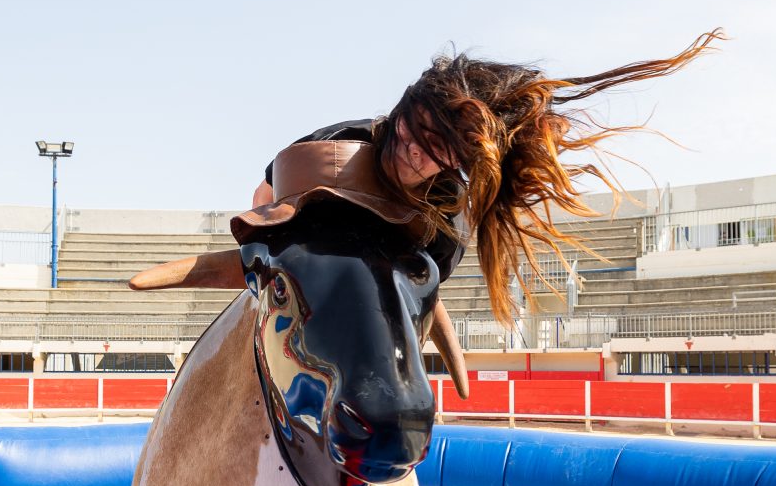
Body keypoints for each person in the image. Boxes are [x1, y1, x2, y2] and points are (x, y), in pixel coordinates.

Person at [250, 30, 722, 321]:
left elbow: (412, 298)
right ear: (399, 116)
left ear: (453, 161)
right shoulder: (341, 141)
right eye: (414, 133)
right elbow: (266, 191)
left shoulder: (447, 220)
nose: (415, 155)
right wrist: (263, 268)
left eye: (437, 150)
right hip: (298, 288)